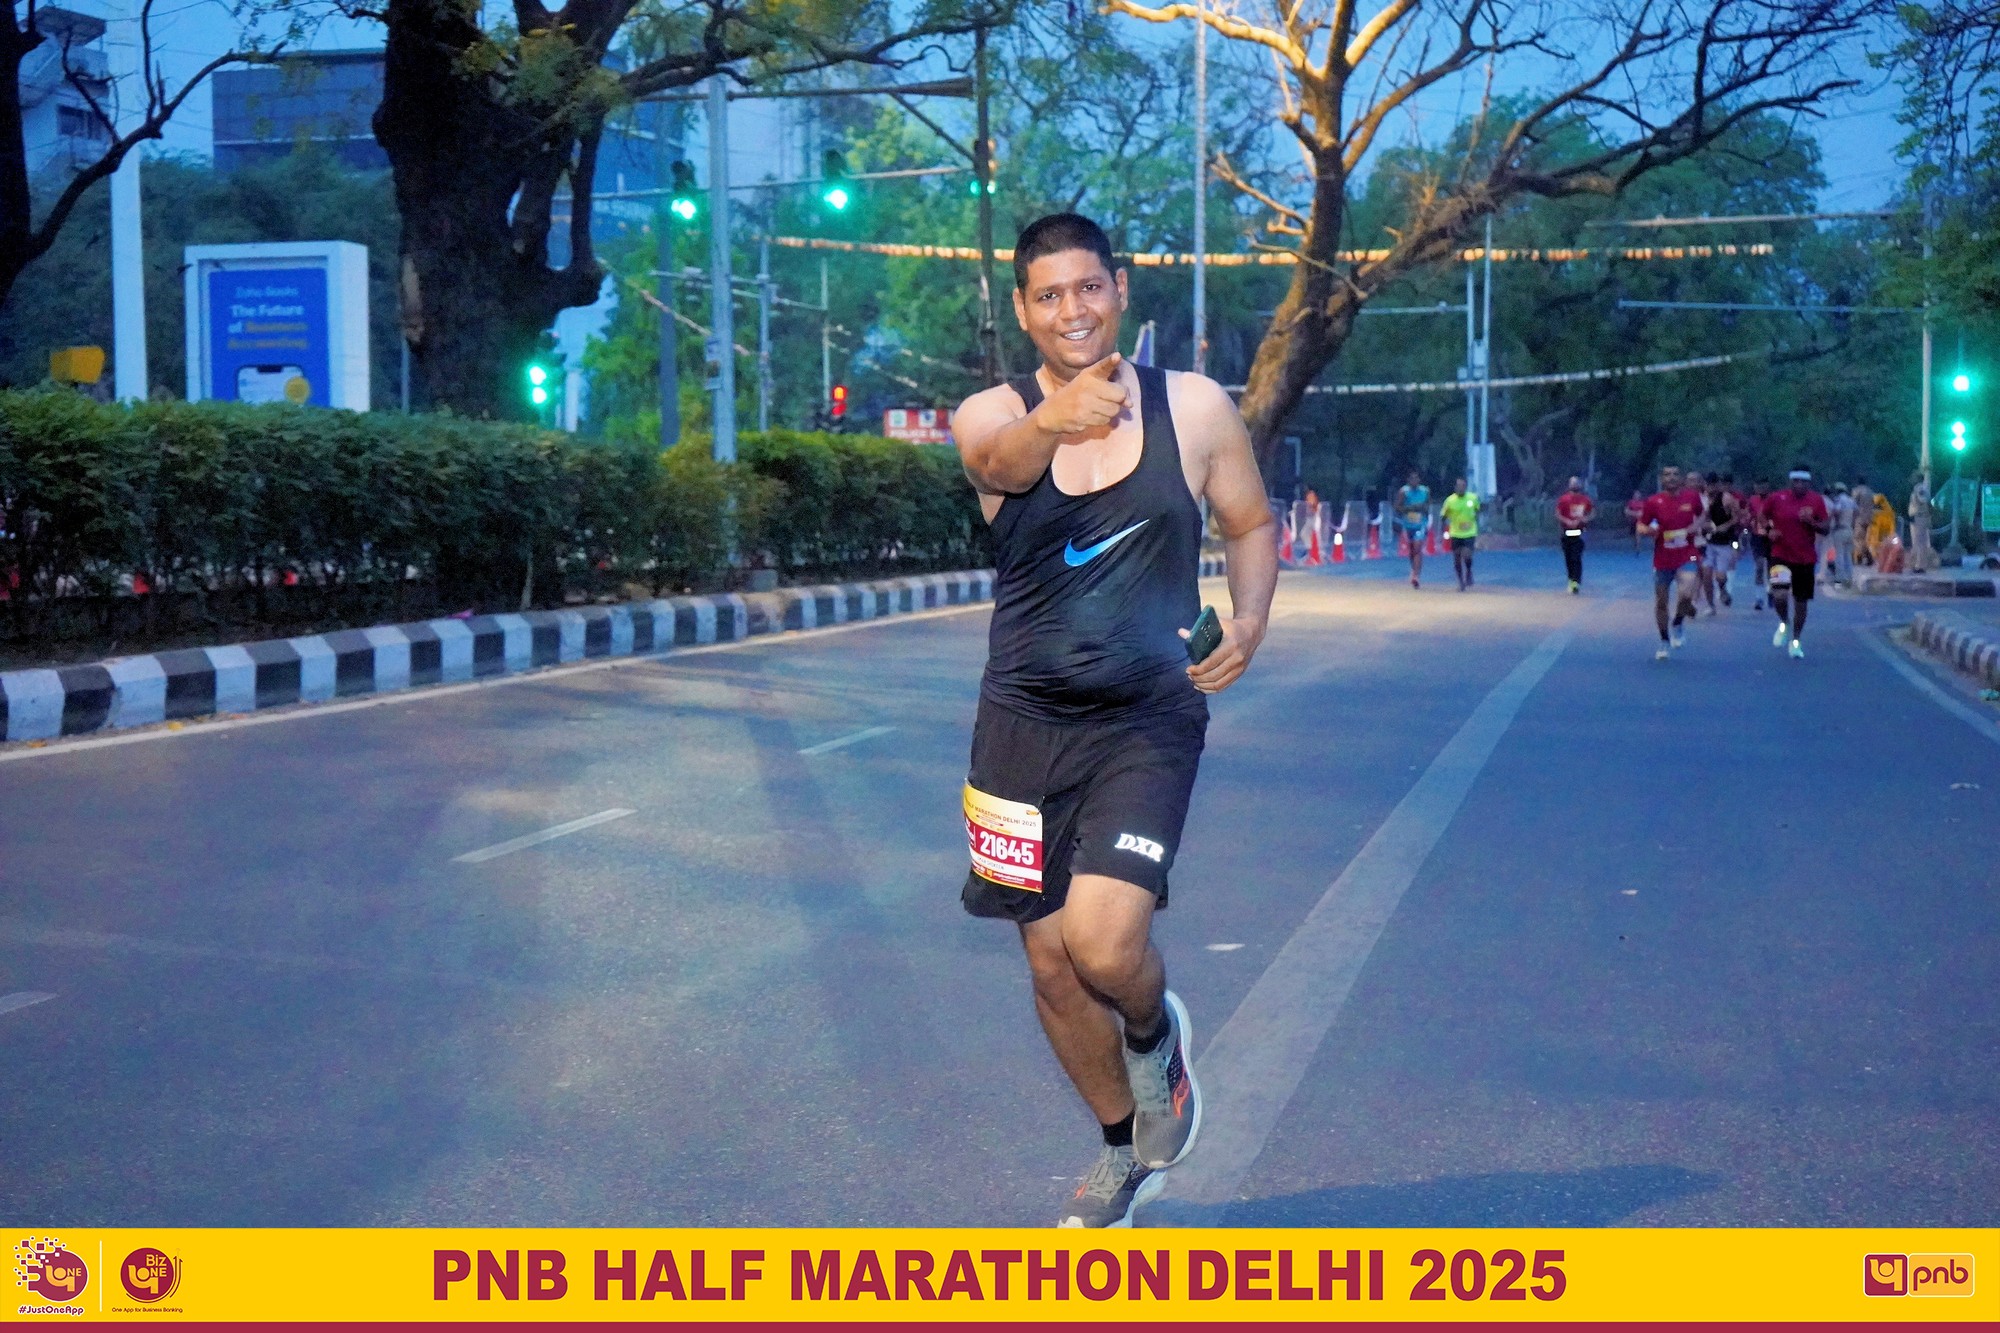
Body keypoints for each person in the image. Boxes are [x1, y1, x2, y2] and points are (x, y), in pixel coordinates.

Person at [949, 213, 1278, 1228]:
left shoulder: (1193, 407)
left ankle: (1152, 1037)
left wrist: (1250, 620)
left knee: (1100, 941)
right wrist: (1058, 419)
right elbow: (999, 466)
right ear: (1022, 311)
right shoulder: (992, 414)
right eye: (1048, 295)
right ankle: (1120, 1147)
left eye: (1087, 287)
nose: (1072, 311)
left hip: (1147, 718)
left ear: (1120, 289)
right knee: (1049, 964)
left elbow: (1249, 521)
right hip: (1018, 726)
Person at [1637, 463, 1703, 659]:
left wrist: (1695, 527)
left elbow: (1702, 514)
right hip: (1663, 558)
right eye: (1667, 474)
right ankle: (1664, 640)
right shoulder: (1653, 501)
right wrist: (1648, 531)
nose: (1671, 477)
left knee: (1687, 593)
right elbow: (1641, 525)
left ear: (1681, 478)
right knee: (1661, 602)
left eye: (1675, 474)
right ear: (1662, 479)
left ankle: (1678, 622)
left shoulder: (1691, 497)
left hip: (1687, 553)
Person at [1767, 466, 1831, 658]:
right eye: (1796, 481)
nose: (1800, 485)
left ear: (1809, 483)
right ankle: (1784, 622)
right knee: (1779, 595)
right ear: (1791, 482)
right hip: (1780, 554)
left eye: (1804, 482)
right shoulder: (1777, 498)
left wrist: (1811, 522)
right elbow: (1762, 518)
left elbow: (1826, 528)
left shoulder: (1816, 500)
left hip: (1805, 558)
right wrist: (1769, 531)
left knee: (1800, 602)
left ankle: (1796, 640)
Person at [1701, 473, 1739, 612]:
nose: (1710, 488)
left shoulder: (1726, 498)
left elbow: (1737, 517)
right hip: (1708, 542)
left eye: (1713, 485)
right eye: (1708, 485)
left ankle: (1723, 589)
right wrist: (1704, 525)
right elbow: (1701, 517)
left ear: (1717, 485)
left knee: (1720, 576)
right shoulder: (1703, 498)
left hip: (1724, 543)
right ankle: (1710, 605)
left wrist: (1725, 526)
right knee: (1706, 575)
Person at [1555, 475, 1595, 593]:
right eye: (1572, 483)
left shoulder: (1585, 500)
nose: (1574, 485)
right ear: (1569, 485)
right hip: (1567, 531)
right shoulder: (1563, 499)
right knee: (1568, 557)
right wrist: (1567, 521)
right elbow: (1557, 514)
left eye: (1576, 483)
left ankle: (1576, 581)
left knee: (1576, 556)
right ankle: (1571, 579)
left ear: (1580, 485)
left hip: (1580, 532)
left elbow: (1592, 513)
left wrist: (1584, 519)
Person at [1441, 477, 1481, 590]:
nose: (1461, 488)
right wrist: (1444, 529)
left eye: (1463, 486)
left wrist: (1474, 521)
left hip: (1469, 532)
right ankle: (1460, 581)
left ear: (1466, 487)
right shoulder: (1450, 501)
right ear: (1455, 487)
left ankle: (1468, 571)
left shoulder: (1472, 498)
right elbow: (1443, 516)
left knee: (1467, 555)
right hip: (1455, 533)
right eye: (1459, 486)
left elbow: (1478, 510)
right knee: (1457, 557)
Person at [1395, 470, 1431, 587]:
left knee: (1417, 547)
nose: (1414, 481)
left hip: (1421, 524)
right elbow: (1397, 507)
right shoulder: (1404, 492)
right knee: (1412, 550)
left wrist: (1423, 509)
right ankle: (1414, 569)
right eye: (1412, 479)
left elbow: (1427, 506)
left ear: (1419, 480)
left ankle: (1416, 575)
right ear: (1408, 480)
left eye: (1416, 478)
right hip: (1408, 524)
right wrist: (1410, 508)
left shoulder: (1425, 491)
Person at [1747, 479, 1773, 610]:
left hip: (1771, 537)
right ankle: (1759, 598)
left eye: (1763, 486)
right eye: (1758, 487)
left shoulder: (1773, 500)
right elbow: (1749, 515)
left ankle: (1770, 592)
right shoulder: (1752, 500)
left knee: (1771, 568)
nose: (1761, 489)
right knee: (1759, 566)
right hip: (1757, 537)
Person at [1827, 483, 1856, 585]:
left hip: (1840, 529)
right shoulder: (1851, 500)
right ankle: (1849, 577)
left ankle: (1840, 577)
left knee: (1839, 554)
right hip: (1849, 529)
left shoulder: (1838, 500)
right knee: (1848, 555)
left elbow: (1836, 511)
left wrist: (1836, 522)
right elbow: (1856, 512)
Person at [1907, 472, 1933, 573]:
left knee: (1919, 542)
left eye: (1914, 477)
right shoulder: (1922, 488)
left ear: (1918, 479)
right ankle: (1919, 564)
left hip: (1919, 516)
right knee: (1920, 542)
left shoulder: (1920, 488)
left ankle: (1920, 565)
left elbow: (1923, 500)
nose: (1912, 479)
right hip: (1921, 517)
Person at [1851, 480, 1876, 566]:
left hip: (1859, 518)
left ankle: (1867, 557)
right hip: (1869, 518)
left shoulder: (1856, 491)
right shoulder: (1870, 492)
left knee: (1857, 539)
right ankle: (1860, 557)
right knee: (1863, 539)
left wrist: (1852, 519)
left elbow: (1853, 505)